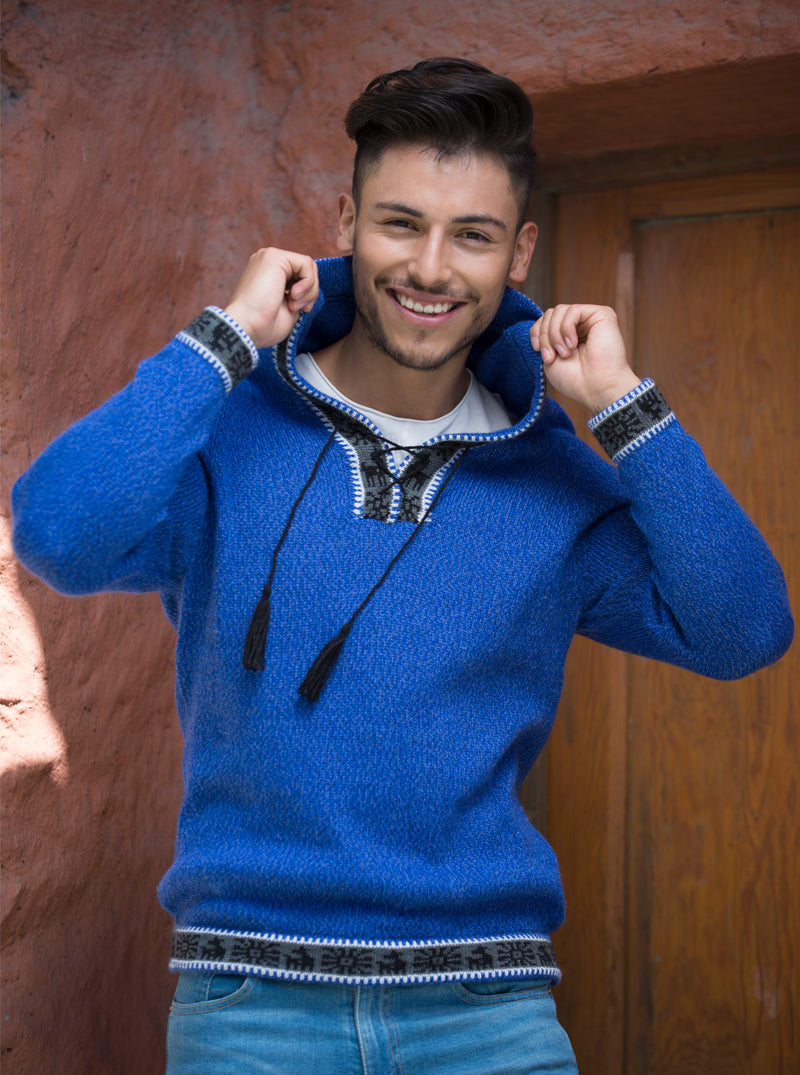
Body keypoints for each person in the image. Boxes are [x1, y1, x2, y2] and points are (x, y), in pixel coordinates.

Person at [11, 57, 793, 1074]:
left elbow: (743, 631)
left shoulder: (554, 476)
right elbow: (57, 534)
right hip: (251, 1009)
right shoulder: (224, 433)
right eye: (399, 223)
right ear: (345, 223)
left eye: (471, 235)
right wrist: (227, 338)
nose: (429, 267)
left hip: (486, 1013)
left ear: (518, 252)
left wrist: (624, 408)